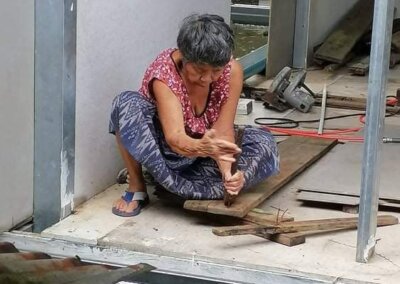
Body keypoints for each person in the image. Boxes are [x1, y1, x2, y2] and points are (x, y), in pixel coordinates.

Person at [109, 14, 279, 217]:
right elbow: (175, 138)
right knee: (127, 103)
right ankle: (137, 184)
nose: (207, 79)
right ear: (183, 56)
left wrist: (228, 172)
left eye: (216, 70)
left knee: (265, 142)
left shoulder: (232, 71)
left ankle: (196, 185)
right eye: (199, 70)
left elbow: (223, 131)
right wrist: (201, 147)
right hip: (166, 152)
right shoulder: (164, 73)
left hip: (202, 153)